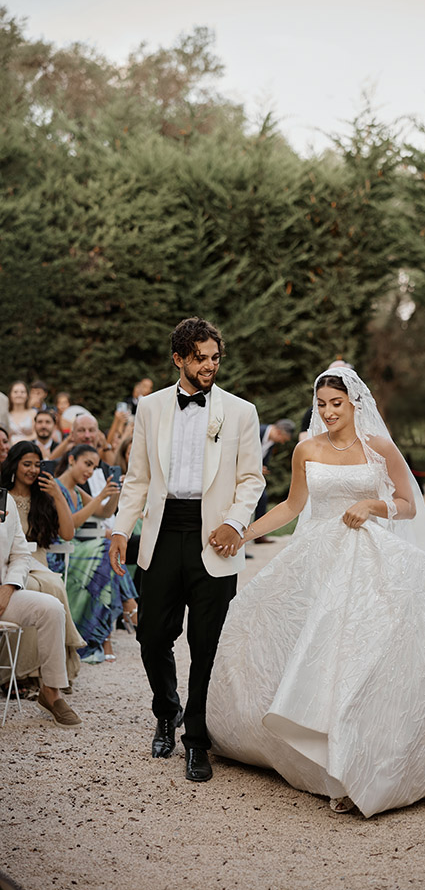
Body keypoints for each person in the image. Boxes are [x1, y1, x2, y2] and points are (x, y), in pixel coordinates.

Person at [206, 368, 425, 817]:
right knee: (294, 643)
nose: (329, 412)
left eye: (337, 404)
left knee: (363, 656)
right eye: (322, 405)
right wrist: (243, 531)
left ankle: (362, 759)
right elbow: (294, 506)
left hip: (370, 561)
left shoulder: (380, 448)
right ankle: (316, 751)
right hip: (317, 560)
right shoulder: (305, 449)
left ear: (355, 403)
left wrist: (373, 504)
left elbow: (408, 506)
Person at [109, 317, 264, 784]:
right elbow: (137, 478)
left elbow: (251, 479)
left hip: (214, 538)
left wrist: (235, 523)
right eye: (200, 358)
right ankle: (166, 710)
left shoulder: (241, 412)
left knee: (207, 643)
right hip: (161, 533)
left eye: (215, 358)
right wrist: (121, 528)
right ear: (179, 358)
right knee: (152, 636)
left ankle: (197, 740)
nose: (209, 366)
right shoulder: (151, 407)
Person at [0, 442, 83, 687]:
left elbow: (68, 534)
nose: (33, 470)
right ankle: (22, 672)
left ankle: (46, 674)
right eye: (27, 464)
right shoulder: (3, 496)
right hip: (11, 562)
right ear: (14, 464)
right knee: (36, 587)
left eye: (37, 464)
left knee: (51, 584)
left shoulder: (44, 498)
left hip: (38, 562)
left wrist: (57, 494)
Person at [0, 493, 82, 727]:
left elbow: (20, 554)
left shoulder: (5, 500)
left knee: (51, 608)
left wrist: (8, 588)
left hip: (2, 594)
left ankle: (51, 692)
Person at [51, 444, 137, 663]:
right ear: (71, 460)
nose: (89, 471)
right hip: (59, 554)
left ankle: (123, 612)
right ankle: (130, 607)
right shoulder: (56, 488)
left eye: (94, 467)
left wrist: (117, 493)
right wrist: (100, 497)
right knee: (104, 550)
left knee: (106, 551)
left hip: (77, 551)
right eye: (87, 464)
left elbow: (104, 512)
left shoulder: (77, 490)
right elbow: (70, 526)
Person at [254, 418, 296, 543]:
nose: (282, 442)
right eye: (283, 439)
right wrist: (256, 467)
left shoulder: (271, 442)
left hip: (255, 477)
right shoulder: (256, 431)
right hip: (239, 474)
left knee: (263, 498)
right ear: (279, 432)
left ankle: (258, 534)